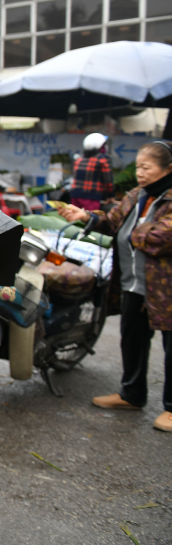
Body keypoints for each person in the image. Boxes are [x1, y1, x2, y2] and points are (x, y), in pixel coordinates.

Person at [59, 141, 172, 432]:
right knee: (132, 338)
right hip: (134, 283)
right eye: (138, 166)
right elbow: (112, 222)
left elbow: (159, 238)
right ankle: (132, 394)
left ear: (167, 168)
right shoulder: (137, 195)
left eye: (146, 167)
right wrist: (85, 216)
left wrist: (129, 231)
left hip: (166, 289)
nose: (140, 173)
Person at [70, 133, 114, 211]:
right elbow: (108, 181)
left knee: (75, 219)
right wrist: (110, 196)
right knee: (89, 219)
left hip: (75, 195)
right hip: (91, 197)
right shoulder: (102, 159)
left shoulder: (79, 160)